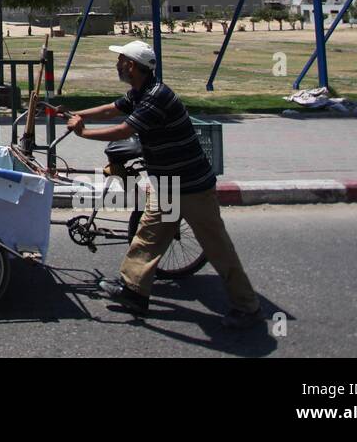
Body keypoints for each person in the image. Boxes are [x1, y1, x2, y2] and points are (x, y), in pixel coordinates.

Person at [64, 40, 262, 328]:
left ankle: (248, 307)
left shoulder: (156, 97)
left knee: (218, 247)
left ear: (131, 65)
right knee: (149, 235)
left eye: (120, 60)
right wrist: (79, 114)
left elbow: (124, 129)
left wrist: (83, 133)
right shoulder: (140, 92)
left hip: (192, 187)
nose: (116, 65)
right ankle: (133, 291)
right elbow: (112, 109)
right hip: (169, 183)